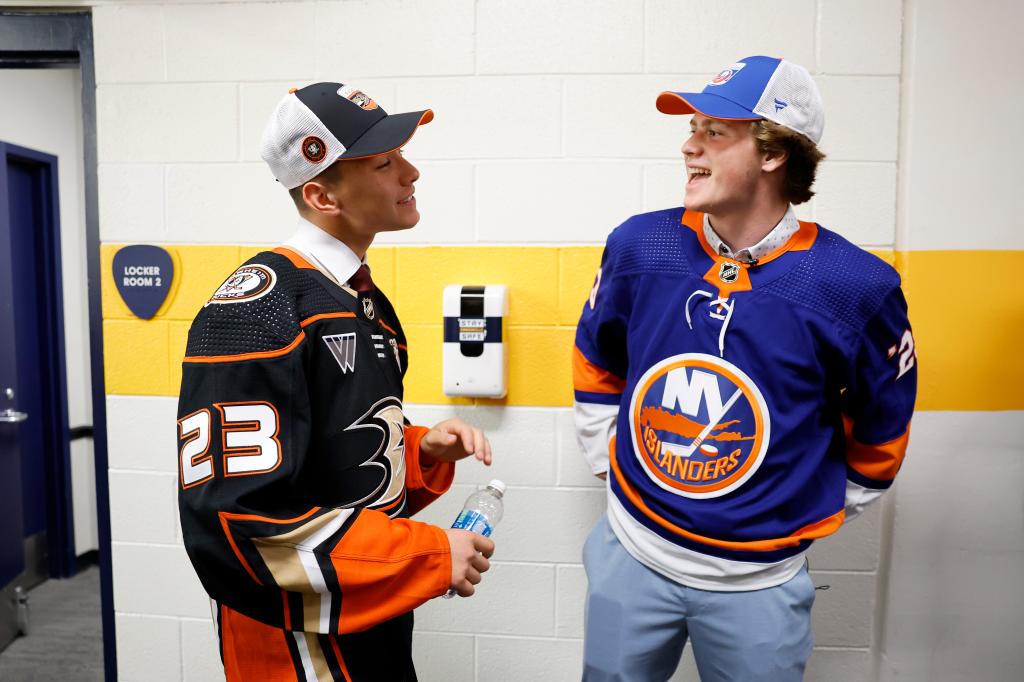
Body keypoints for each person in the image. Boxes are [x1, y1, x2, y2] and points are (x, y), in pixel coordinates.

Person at [573, 56, 917, 681]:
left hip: (761, 583)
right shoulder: (638, 244)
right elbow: (597, 353)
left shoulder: (855, 283)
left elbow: (884, 420)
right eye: (692, 128)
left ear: (772, 153)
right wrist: (608, 457)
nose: (688, 144)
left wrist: (811, 507)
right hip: (632, 550)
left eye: (713, 131)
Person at [177, 82, 495, 681]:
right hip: (296, 646)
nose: (412, 171)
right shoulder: (257, 309)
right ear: (322, 194)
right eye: (384, 162)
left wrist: (416, 448)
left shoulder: (354, 294)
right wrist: (425, 554)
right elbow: (239, 524)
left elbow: (324, 449)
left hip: (367, 623)